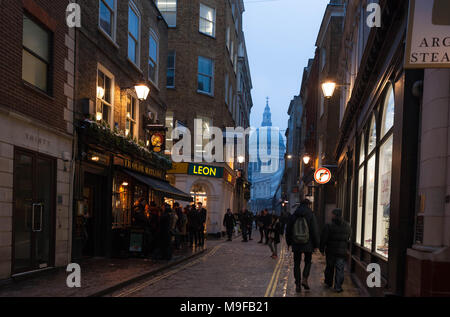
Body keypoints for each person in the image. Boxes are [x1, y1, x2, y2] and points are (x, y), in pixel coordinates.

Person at [286, 199, 320, 293]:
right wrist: (316, 244)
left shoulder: (294, 215)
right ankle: (304, 278)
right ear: (308, 205)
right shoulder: (311, 215)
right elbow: (314, 230)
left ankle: (297, 284)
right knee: (308, 261)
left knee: (296, 263)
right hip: (308, 243)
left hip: (296, 243)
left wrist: (289, 242)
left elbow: (288, 230)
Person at [320, 209, 352, 293]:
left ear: (334, 215)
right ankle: (338, 287)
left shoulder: (328, 226)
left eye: (332, 214)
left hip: (330, 251)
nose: (331, 216)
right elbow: (348, 237)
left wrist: (322, 248)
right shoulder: (347, 225)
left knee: (329, 267)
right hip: (341, 251)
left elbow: (324, 238)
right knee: (340, 269)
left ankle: (328, 282)